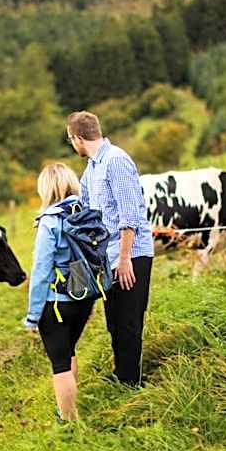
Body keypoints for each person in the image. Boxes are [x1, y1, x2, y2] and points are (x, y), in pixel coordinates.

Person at [66, 111, 154, 386]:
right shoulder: (92, 168)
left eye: (71, 140)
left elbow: (130, 215)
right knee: (113, 320)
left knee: (129, 321)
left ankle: (132, 383)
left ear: (78, 138)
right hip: (109, 257)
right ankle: (122, 375)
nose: (72, 145)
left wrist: (126, 258)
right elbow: (84, 208)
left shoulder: (115, 161)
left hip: (131, 254)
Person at [24, 162, 94, 423]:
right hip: (83, 296)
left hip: (56, 303)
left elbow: (41, 270)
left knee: (60, 364)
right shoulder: (86, 211)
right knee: (70, 350)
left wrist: (32, 315)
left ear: (46, 188)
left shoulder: (50, 221)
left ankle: (68, 421)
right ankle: (70, 410)